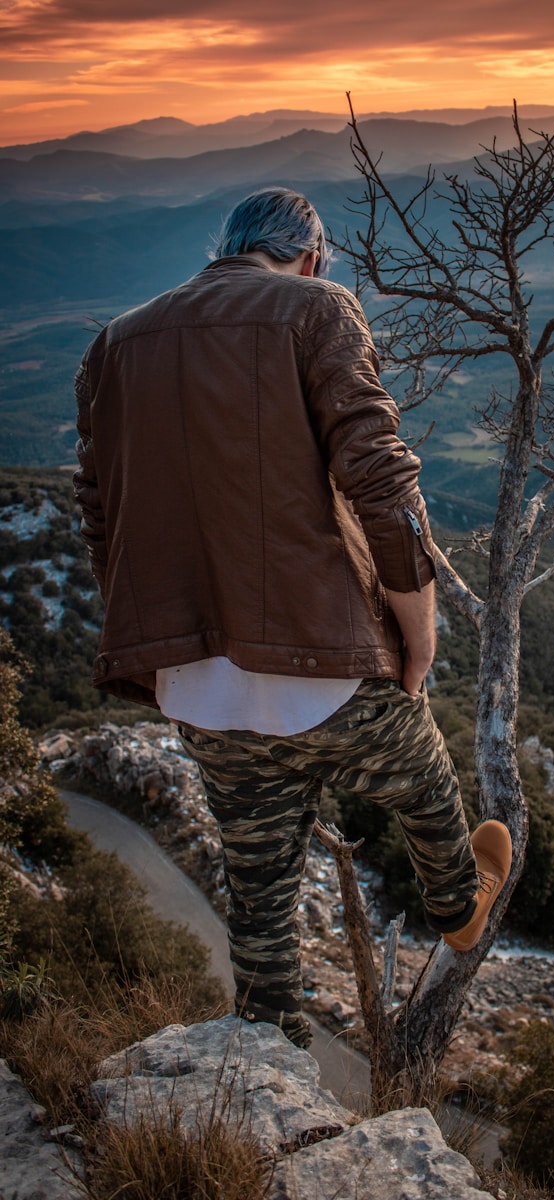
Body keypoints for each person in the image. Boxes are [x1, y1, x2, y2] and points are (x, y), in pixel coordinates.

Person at [74, 186, 512, 1048]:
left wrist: (159, 646)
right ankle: (459, 906)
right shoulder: (318, 308)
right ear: (310, 256)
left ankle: (265, 1041)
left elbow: (101, 517)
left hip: (198, 689)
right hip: (327, 670)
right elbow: (384, 485)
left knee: (258, 874)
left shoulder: (112, 344)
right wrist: (415, 642)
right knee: (425, 785)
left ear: (226, 248)